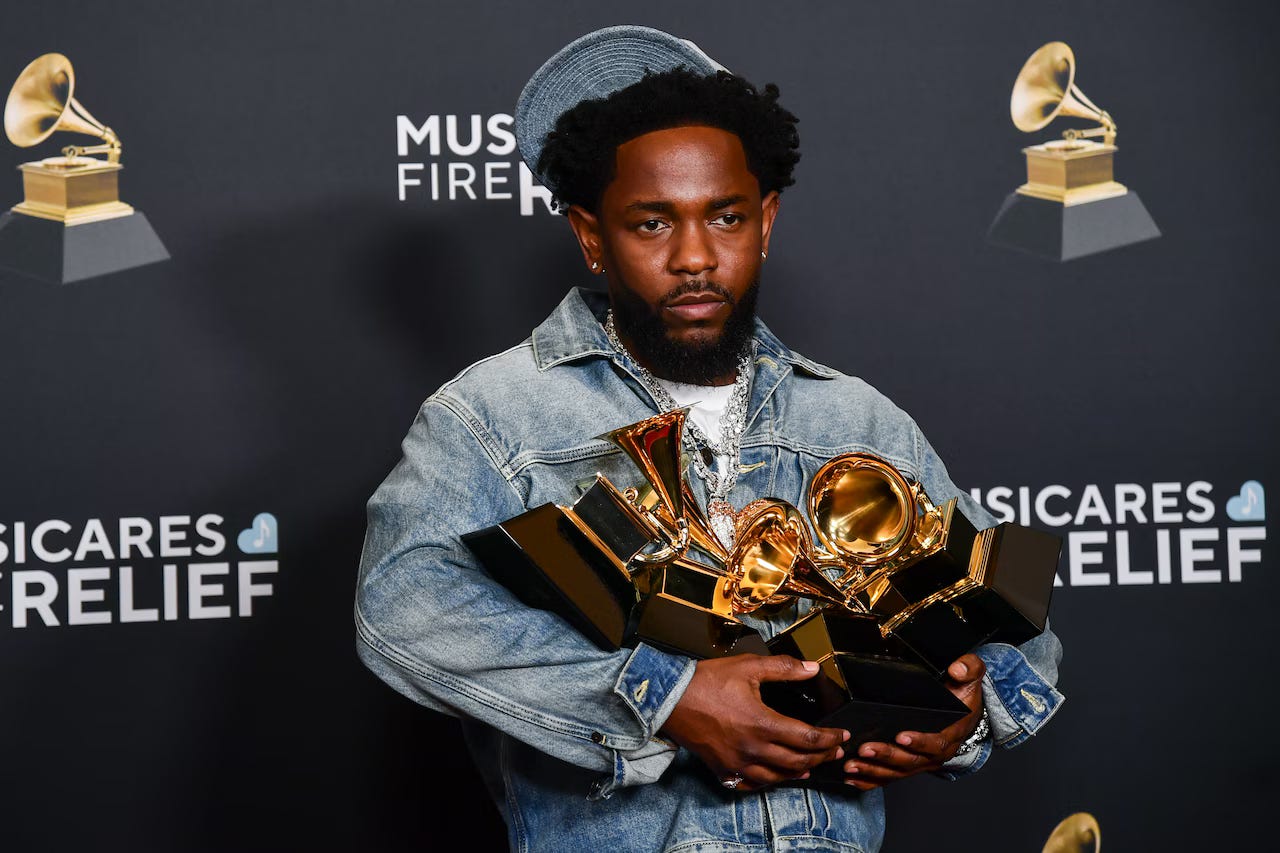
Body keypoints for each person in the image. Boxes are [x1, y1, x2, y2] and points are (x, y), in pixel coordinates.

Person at [356, 25, 1063, 853]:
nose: (695, 257)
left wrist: (966, 713)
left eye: (725, 217)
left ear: (765, 220)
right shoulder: (492, 414)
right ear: (591, 235)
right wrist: (664, 696)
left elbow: (1017, 627)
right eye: (653, 224)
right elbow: (402, 605)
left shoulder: (858, 420)